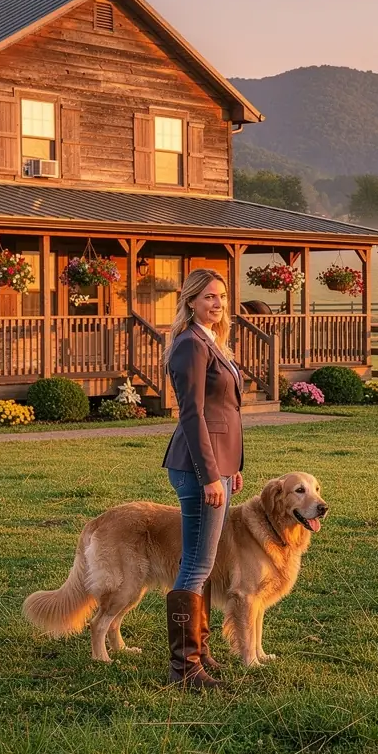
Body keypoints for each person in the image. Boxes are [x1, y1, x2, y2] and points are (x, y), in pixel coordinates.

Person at [162, 269, 244, 689]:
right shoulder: (190, 345)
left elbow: (225, 413)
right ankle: (184, 669)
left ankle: (201, 651)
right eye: (209, 297)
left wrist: (234, 468)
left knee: (205, 565)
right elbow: (192, 415)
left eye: (222, 297)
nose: (217, 303)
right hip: (199, 468)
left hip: (218, 466)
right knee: (196, 565)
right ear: (190, 300)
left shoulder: (213, 342)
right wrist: (211, 475)